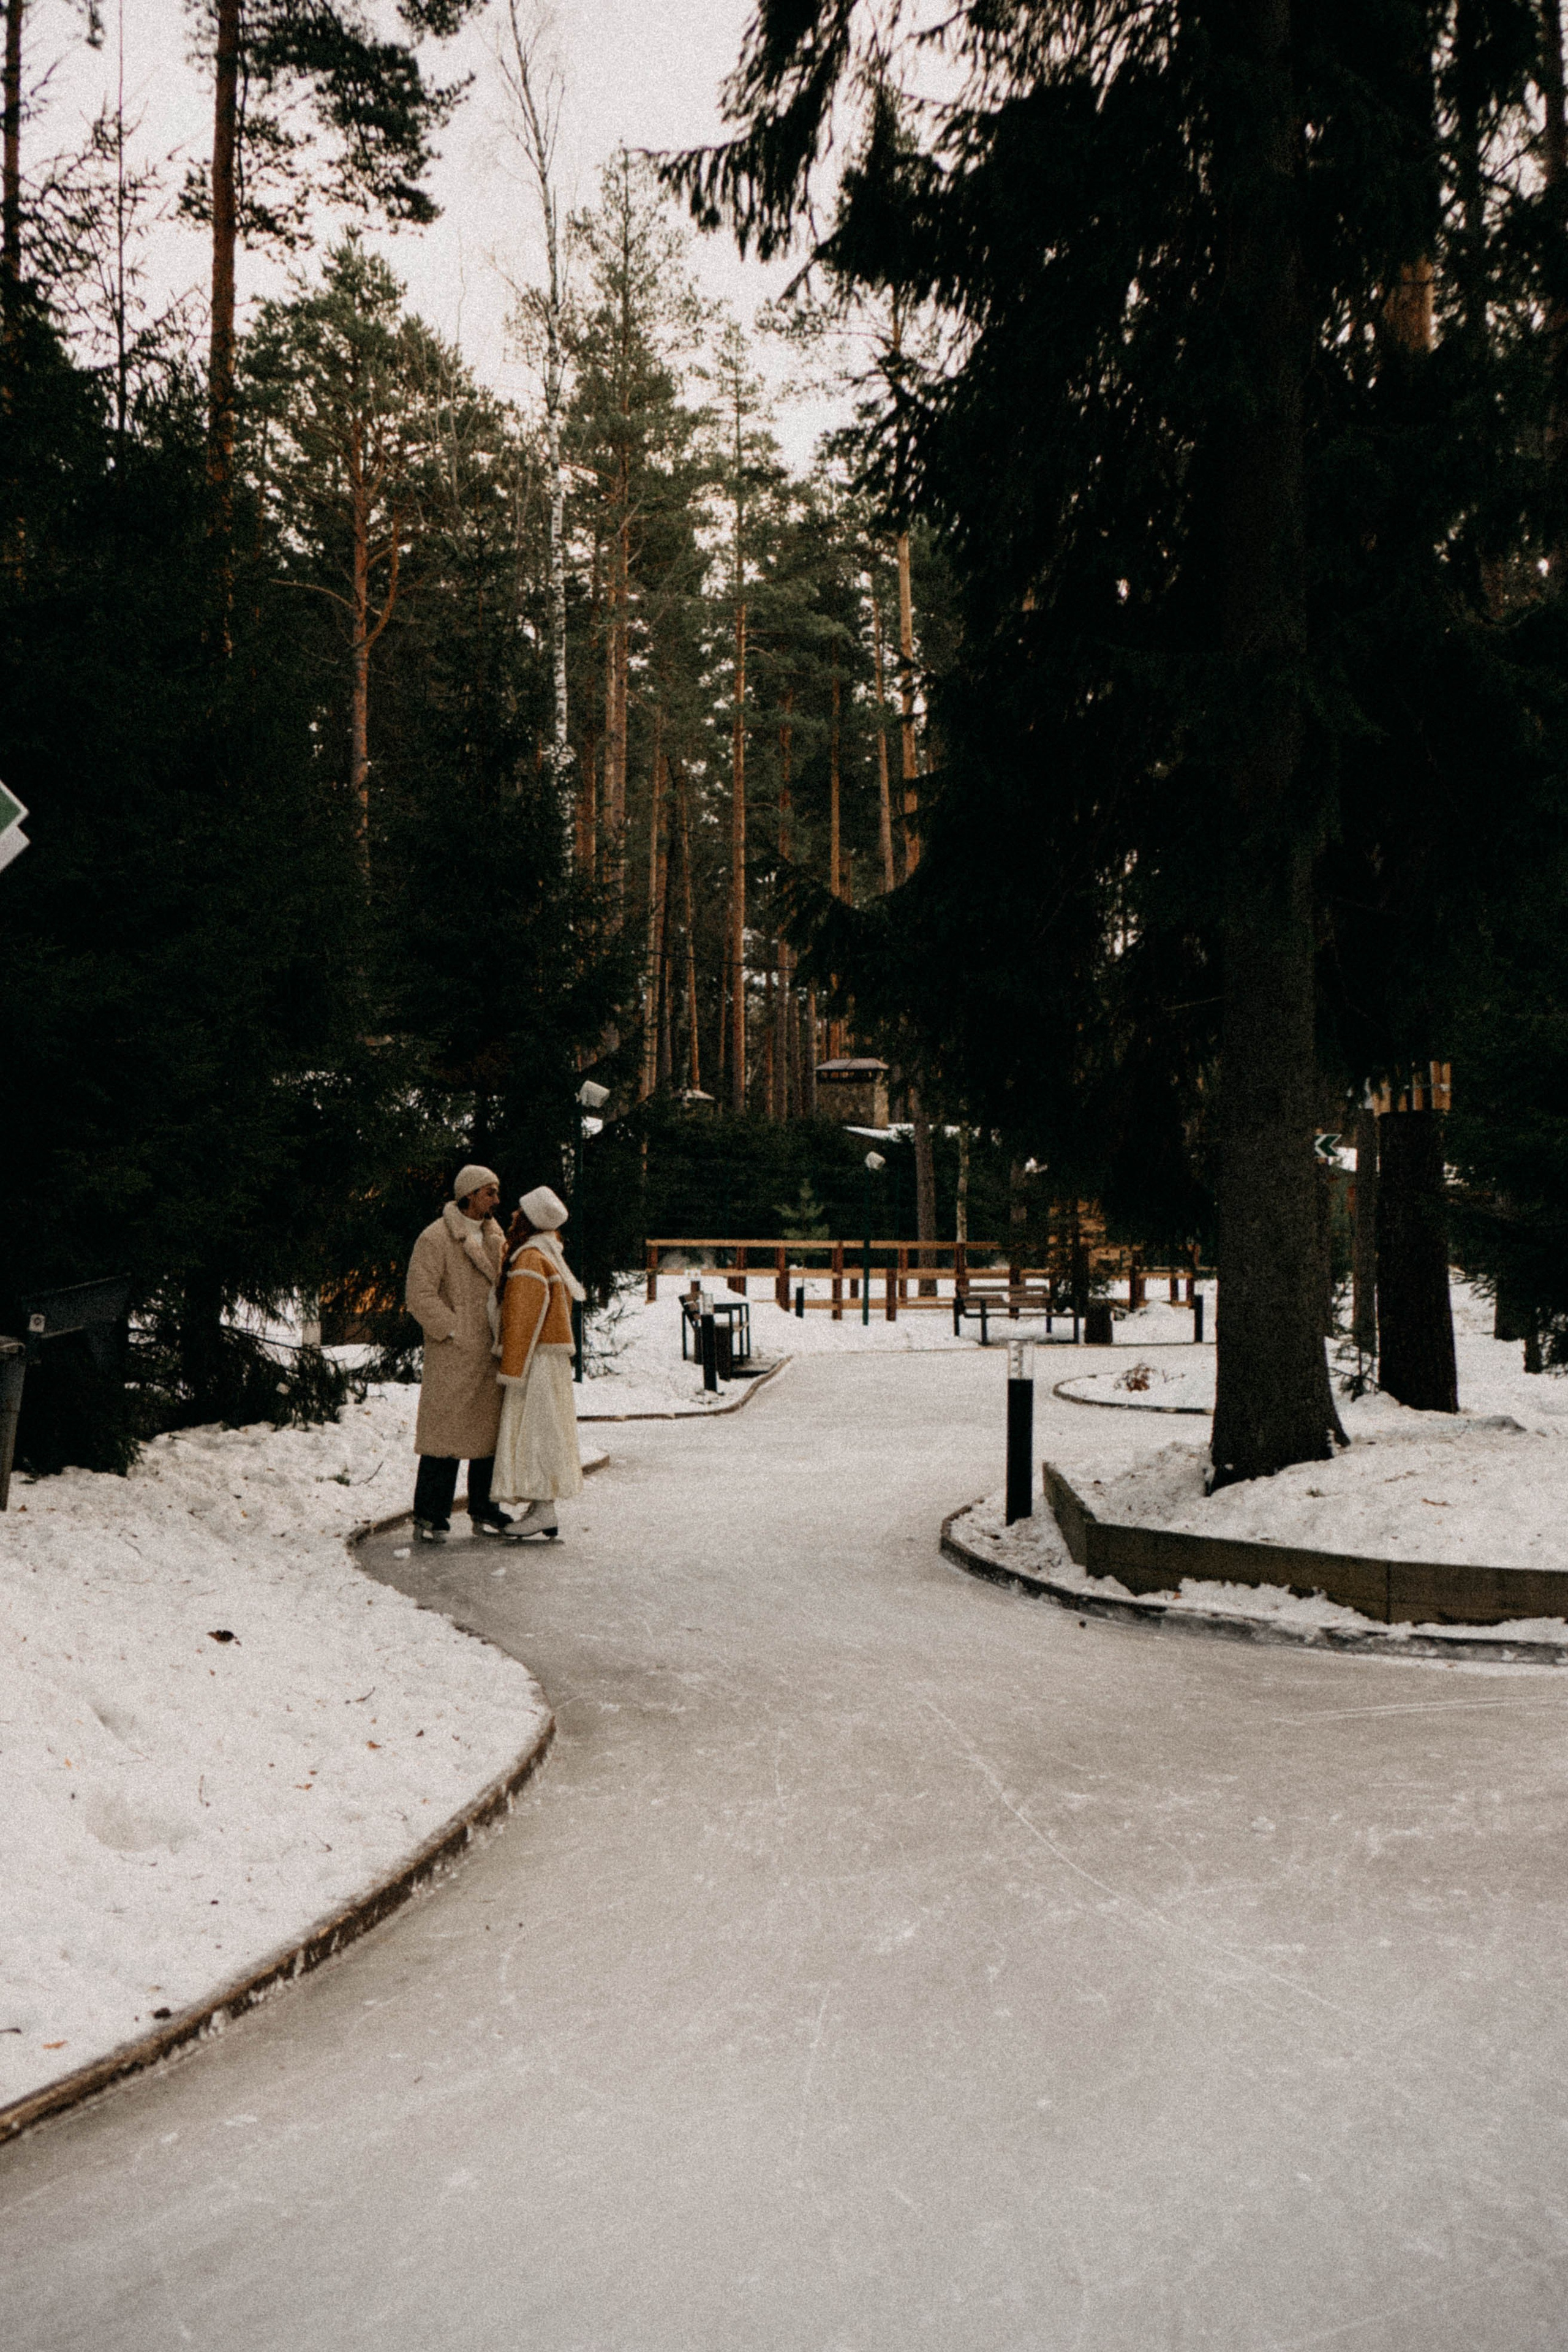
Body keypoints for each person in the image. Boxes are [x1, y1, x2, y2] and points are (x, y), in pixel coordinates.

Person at [404, 1165, 515, 1544]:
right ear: (469, 1194)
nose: (497, 1200)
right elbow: (419, 1295)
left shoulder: (495, 1237)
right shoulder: (436, 1238)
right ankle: (431, 1514)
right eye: (490, 1192)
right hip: (454, 1355)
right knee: (445, 1436)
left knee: (488, 1435)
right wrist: (454, 1330)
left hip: (489, 1352)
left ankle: (485, 1508)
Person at [491, 1185, 586, 1539]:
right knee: (547, 1429)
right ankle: (541, 1506)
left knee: (535, 1432)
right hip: (549, 1358)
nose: (514, 1215)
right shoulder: (550, 1254)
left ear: (530, 1221)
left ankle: (543, 1507)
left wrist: (511, 1367)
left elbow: (523, 1318)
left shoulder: (530, 1258)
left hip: (535, 1360)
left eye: (520, 1212)